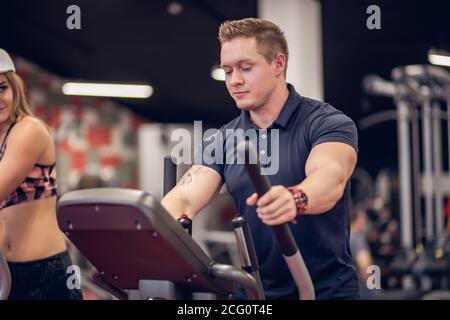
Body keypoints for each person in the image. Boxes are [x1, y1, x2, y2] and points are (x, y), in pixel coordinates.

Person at [161, 18, 359, 299]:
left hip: (326, 291)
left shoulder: (326, 123)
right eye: (228, 71)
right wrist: (153, 228)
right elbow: (185, 196)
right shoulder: (223, 138)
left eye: (246, 68)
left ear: (278, 64)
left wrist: (295, 199)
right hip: (254, 291)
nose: (234, 81)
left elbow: (330, 177)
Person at [0, 48, 83, 300]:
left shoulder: (29, 130)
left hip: (47, 272)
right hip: (8, 272)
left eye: (1, 88)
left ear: (14, 88)